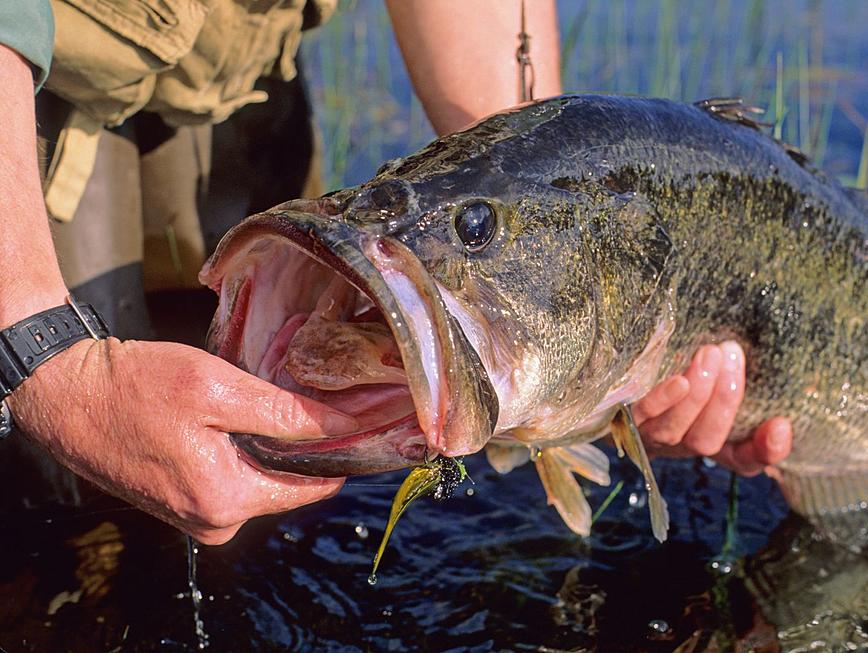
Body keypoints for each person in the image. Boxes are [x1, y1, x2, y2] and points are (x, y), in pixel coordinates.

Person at [0, 1, 792, 545]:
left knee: (245, 487)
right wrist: (35, 346)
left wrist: (581, 368)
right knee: (55, 482)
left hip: (225, 59)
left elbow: (527, 175)